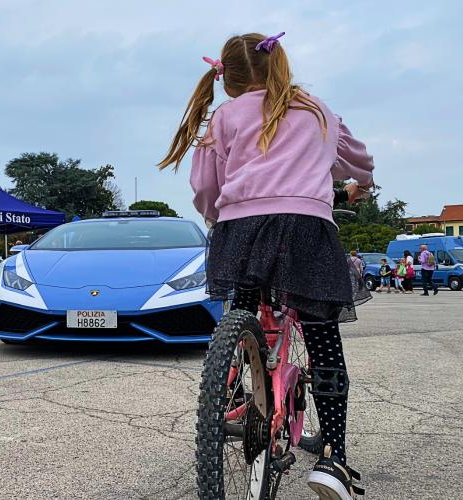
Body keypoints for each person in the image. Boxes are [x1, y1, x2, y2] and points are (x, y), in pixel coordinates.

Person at [160, 32, 373, 498]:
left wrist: (220, 217)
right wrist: (362, 182)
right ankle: (333, 458)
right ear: (281, 65)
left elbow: (205, 188)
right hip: (306, 231)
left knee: (243, 316)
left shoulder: (224, 117)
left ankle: (238, 390)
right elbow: (358, 161)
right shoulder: (317, 110)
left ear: (227, 81)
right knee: (322, 339)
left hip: (241, 233)